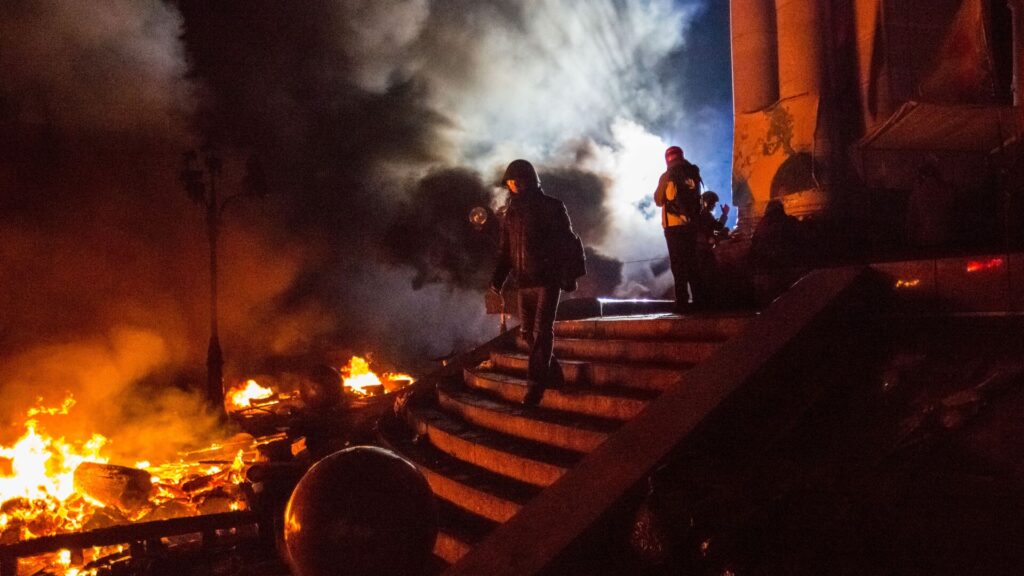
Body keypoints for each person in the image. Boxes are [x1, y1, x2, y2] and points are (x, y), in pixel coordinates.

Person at [491, 159, 578, 406]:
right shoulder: (511, 214)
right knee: (528, 333)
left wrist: (566, 275)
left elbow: (567, 243)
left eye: (519, 179)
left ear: (531, 179)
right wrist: (497, 281)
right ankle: (554, 374)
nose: (514, 184)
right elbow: (505, 251)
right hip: (523, 283)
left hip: (546, 280)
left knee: (542, 332)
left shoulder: (551, 207)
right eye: (511, 181)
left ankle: (534, 388)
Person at [654, 146, 704, 311]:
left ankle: (682, 301)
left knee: (678, 264)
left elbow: (659, 200)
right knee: (692, 262)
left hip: (674, 226)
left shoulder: (667, 175)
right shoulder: (693, 173)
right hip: (691, 225)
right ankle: (699, 299)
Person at [696, 191, 730, 306]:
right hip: (703, 249)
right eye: (713, 203)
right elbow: (718, 227)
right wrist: (725, 214)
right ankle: (708, 301)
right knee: (709, 274)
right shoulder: (705, 214)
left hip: (702, 248)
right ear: (707, 202)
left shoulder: (701, 213)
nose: (714, 206)